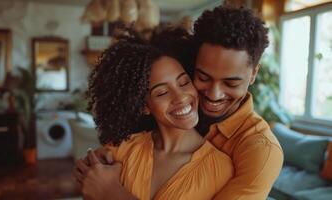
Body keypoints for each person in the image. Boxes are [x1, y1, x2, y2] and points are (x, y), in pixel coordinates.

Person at [75, 5, 284, 200]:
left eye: (231, 82)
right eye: (203, 77)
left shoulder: (260, 151)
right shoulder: (133, 144)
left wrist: (113, 193)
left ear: (254, 73)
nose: (213, 94)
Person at [75, 29, 233, 200]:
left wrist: (112, 192)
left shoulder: (220, 169)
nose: (180, 97)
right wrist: (87, 172)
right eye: (162, 92)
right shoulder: (122, 151)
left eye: (184, 82)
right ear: (144, 106)